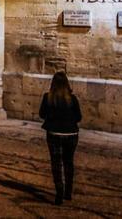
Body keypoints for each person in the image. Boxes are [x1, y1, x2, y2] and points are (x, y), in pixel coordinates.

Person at [39, 71, 81, 204]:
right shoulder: (72, 99)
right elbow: (79, 117)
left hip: (54, 133)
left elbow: (41, 114)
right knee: (68, 162)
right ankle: (68, 192)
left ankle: (59, 192)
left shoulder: (48, 97)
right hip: (71, 134)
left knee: (56, 163)